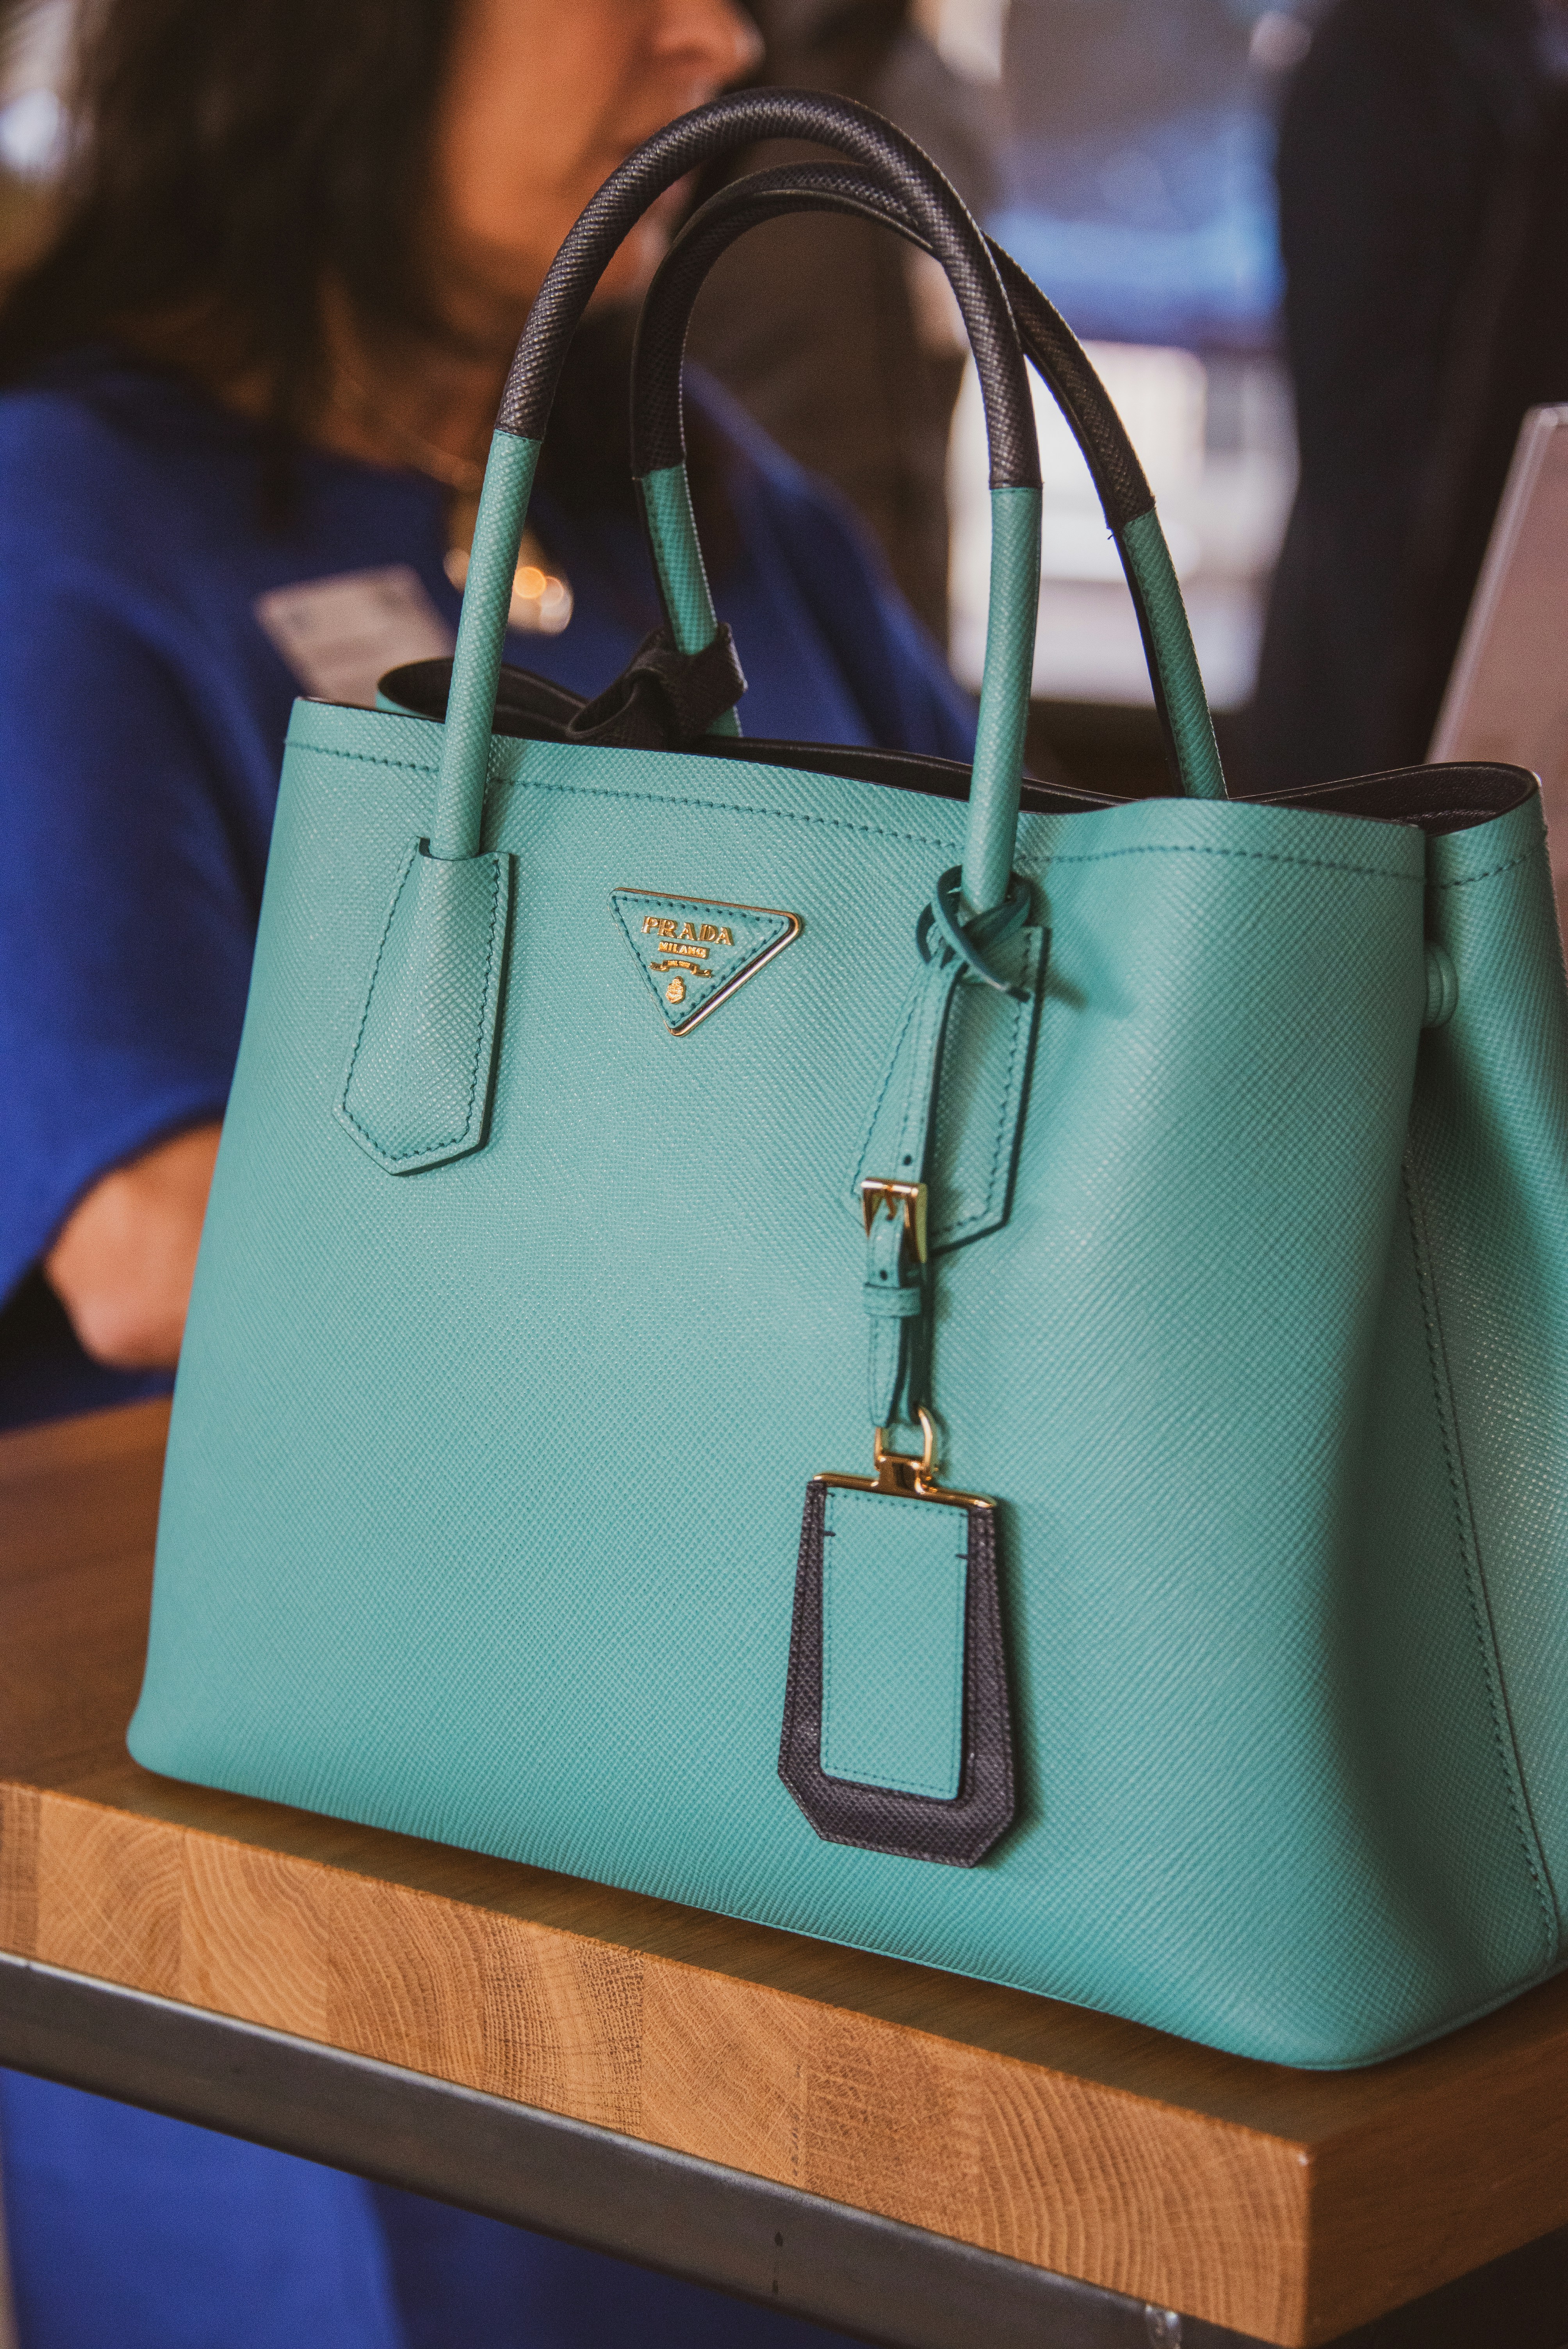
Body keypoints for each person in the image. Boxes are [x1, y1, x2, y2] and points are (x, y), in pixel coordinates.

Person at [0, 0, 975, 2338]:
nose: (710, 34)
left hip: (804, 1675)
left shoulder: (719, 497)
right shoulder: (68, 516)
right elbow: (152, 1230)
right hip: (332, 1755)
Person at [1249, 0, 1568, 788]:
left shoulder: (1510, 52)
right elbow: (1374, 461)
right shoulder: (1389, 59)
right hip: (1405, 717)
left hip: (1455, 684)